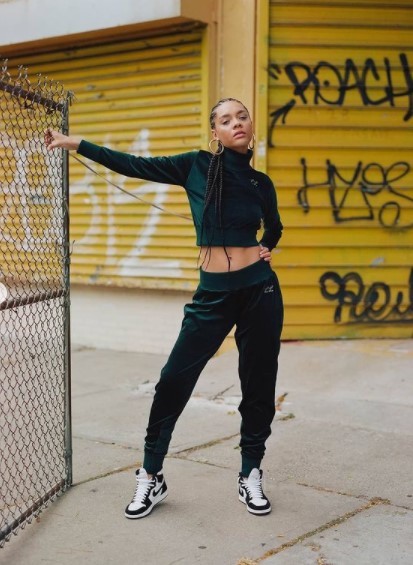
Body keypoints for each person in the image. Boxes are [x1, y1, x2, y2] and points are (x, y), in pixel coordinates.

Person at [45, 98, 284, 518]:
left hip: (260, 292)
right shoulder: (195, 166)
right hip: (213, 294)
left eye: (241, 116)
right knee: (173, 380)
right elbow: (134, 164)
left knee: (259, 384)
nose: (236, 123)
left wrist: (267, 248)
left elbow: (275, 225)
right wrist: (74, 143)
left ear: (250, 125)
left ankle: (250, 473)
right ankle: (151, 475)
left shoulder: (261, 183)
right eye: (225, 120)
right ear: (215, 133)